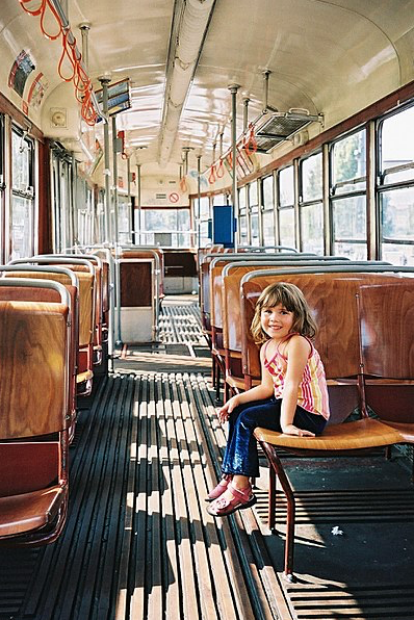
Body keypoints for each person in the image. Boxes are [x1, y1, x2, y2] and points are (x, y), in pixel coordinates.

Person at [207, 281, 330, 518]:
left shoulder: (297, 343)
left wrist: (287, 425)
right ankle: (231, 474)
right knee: (239, 413)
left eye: (283, 312)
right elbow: (267, 388)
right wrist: (238, 399)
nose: (274, 318)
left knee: (248, 418)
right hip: (287, 406)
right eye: (268, 311)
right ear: (260, 314)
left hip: (309, 414)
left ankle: (242, 488)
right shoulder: (267, 347)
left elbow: (292, 385)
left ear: (297, 316)